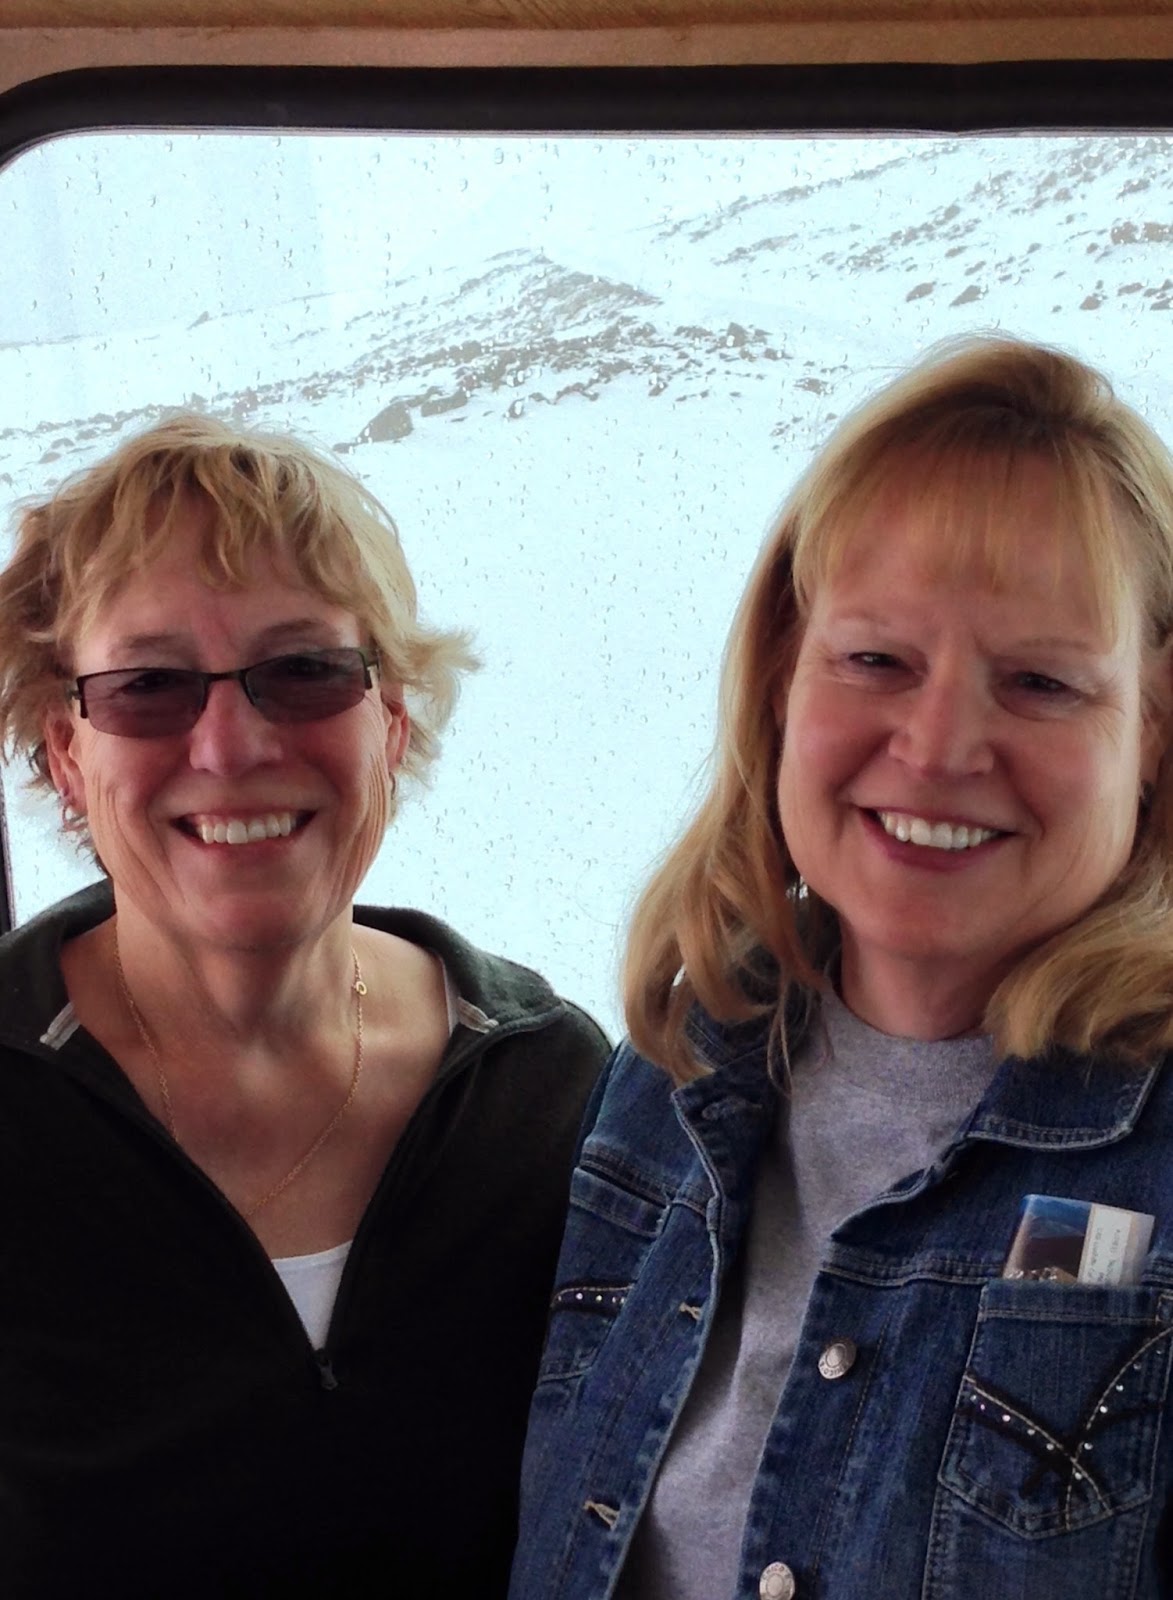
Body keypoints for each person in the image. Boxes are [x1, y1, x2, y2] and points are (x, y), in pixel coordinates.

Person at [509, 336, 1173, 1600]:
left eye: (1040, 681)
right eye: (877, 660)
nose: (939, 744)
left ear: (1153, 730)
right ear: (780, 680)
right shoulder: (670, 1076)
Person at [0, 415, 609, 1599]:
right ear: (65, 752)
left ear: (395, 719)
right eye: (148, 686)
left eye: (305, 670)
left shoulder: (547, 1095)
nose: (231, 745)